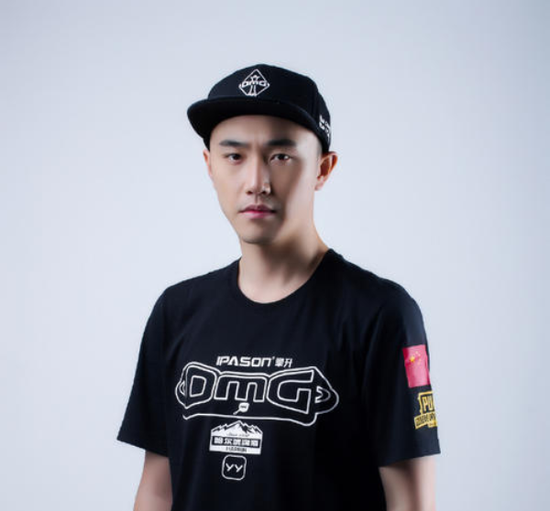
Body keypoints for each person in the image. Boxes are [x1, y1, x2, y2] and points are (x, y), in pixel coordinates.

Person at [116, 63, 441, 511]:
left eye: (281, 156)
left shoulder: (380, 314)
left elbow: (410, 502)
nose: (256, 183)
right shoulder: (177, 311)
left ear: (323, 169)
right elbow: (157, 489)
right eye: (234, 156)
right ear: (209, 166)